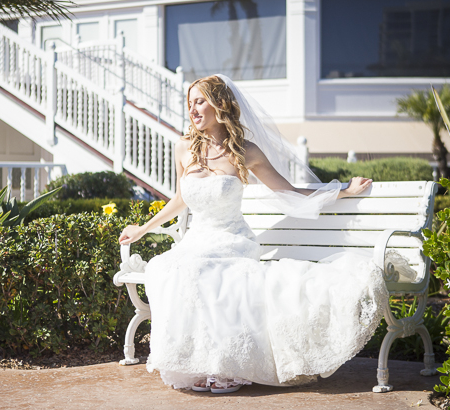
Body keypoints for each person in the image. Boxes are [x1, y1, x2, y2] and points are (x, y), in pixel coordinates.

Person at [118, 75, 388, 393]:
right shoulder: (183, 148)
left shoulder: (246, 151)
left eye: (199, 101)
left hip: (232, 240)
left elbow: (290, 192)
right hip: (197, 241)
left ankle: (228, 366)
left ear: (220, 105)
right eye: (189, 102)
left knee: (204, 271)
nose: (192, 109)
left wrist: (343, 190)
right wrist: (143, 228)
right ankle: (202, 364)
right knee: (168, 267)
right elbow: (180, 199)